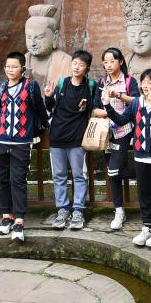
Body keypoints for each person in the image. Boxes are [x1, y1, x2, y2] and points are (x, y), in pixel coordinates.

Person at [97, 68, 151, 249]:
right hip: (141, 155)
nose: (145, 86)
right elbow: (121, 120)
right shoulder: (136, 103)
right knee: (144, 193)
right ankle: (147, 226)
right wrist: (107, 105)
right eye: (143, 82)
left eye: (150, 82)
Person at [0, 51, 48, 242]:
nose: (10, 70)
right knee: (2, 180)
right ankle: (6, 216)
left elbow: (40, 109)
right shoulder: (1, 87)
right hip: (0, 140)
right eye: (8, 66)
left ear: (23, 68)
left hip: (22, 142)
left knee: (18, 180)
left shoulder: (30, 86)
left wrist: (47, 127)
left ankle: (19, 220)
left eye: (14, 66)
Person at [45, 49, 98, 231]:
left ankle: (78, 211)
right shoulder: (62, 83)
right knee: (58, 176)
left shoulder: (90, 86)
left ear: (87, 68)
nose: (76, 67)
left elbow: (95, 108)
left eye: (81, 65)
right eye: (74, 63)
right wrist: (48, 96)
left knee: (79, 175)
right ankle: (62, 210)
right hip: (57, 137)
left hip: (77, 138)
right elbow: (50, 107)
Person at [97, 48, 140, 231]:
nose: (108, 65)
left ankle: (144, 171)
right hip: (106, 133)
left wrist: (118, 95)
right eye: (105, 62)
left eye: (112, 61)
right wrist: (107, 111)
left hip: (124, 131)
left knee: (113, 171)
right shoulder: (101, 82)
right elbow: (95, 109)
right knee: (112, 173)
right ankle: (119, 210)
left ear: (120, 61)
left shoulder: (129, 81)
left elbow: (137, 102)